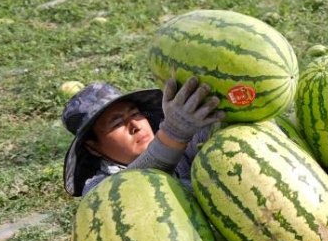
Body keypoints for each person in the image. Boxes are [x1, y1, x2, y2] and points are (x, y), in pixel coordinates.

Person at [61, 76, 224, 197]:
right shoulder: (96, 190)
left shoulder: (182, 149)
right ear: (93, 147)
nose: (135, 126)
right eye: (117, 123)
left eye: (135, 113)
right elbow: (126, 191)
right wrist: (173, 134)